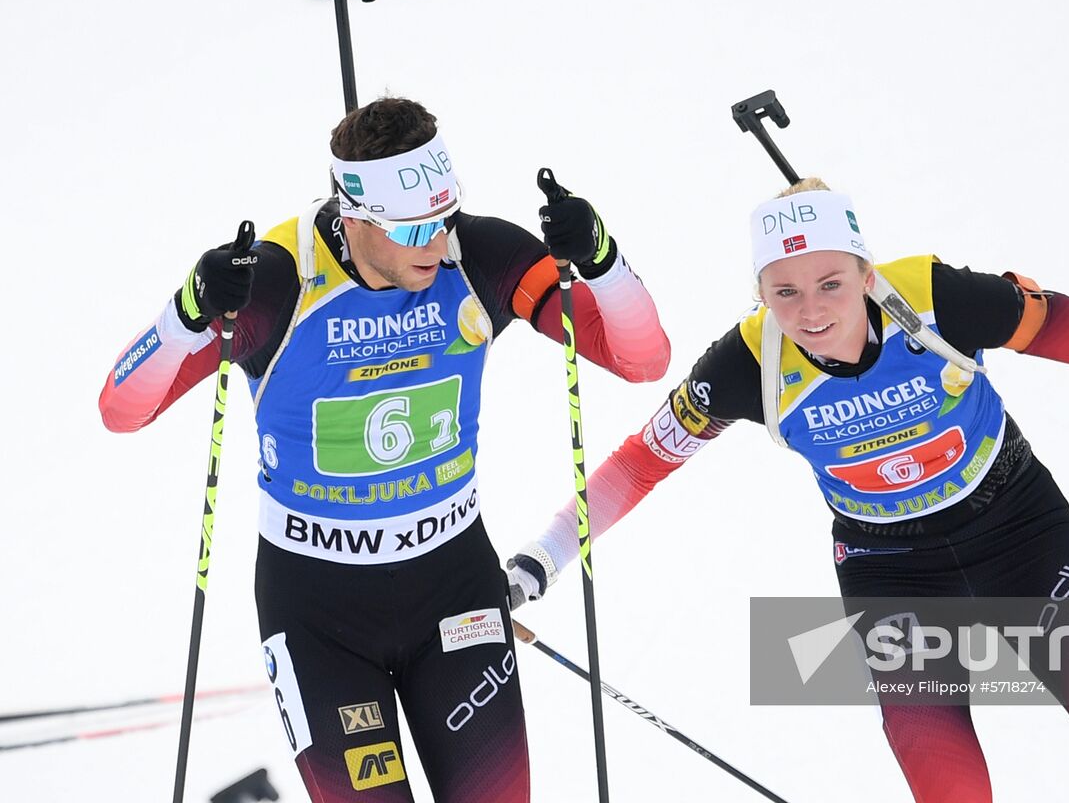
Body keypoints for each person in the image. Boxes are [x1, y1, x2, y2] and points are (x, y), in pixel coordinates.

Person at [505, 178, 1069, 802]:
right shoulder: (747, 364)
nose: (811, 311)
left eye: (831, 284)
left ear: (864, 269)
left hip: (1024, 535)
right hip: (890, 574)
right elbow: (638, 463)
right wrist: (538, 560)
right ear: (759, 295)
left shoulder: (939, 300)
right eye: (783, 292)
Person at [99, 97, 671, 802]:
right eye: (414, 227)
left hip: (453, 589)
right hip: (317, 612)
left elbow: (641, 358)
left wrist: (603, 262)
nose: (436, 241)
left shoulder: (479, 254)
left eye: (445, 215)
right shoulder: (279, 281)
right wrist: (187, 312)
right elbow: (122, 409)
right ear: (354, 215)